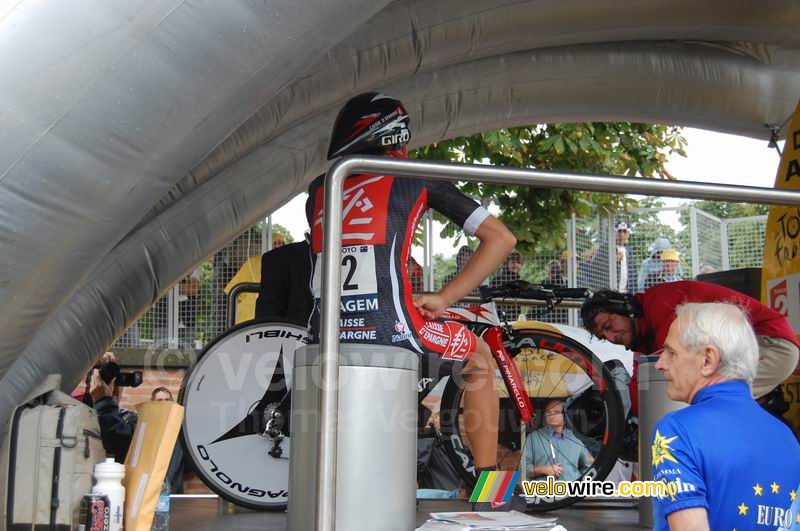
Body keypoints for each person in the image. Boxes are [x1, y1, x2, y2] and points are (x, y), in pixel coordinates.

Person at [306, 92, 520, 511]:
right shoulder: (416, 173)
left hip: (323, 335)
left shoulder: (319, 188)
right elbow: (502, 239)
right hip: (393, 329)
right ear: (398, 135)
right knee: (478, 358)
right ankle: (489, 493)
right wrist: (444, 297)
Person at [650, 302, 800, 530]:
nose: (660, 364)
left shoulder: (677, 430)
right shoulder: (786, 435)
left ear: (708, 359)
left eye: (671, 352)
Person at [580, 280, 800, 400]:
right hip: (755, 346)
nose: (611, 337)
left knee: (708, 399)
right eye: (603, 336)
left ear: (625, 308)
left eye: (609, 326)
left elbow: (671, 365)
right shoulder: (645, 332)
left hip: (770, 344)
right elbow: (645, 379)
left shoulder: (660, 303)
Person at [523, 399, 592, 482]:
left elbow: (586, 468)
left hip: (572, 492)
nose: (551, 416)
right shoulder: (533, 438)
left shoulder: (576, 438)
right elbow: (523, 468)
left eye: (556, 412)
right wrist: (543, 470)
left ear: (565, 414)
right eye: (548, 412)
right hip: (543, 491)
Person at [254, 238, 314, 324]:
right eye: (275, 243)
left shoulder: (277, 258)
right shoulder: (277, 259)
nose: (277, 245)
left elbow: (267, 319)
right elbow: (267, 319)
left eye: (279, 243)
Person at [150, 387, 185, 493]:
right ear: (153, 404)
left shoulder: (180, 430)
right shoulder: (147, 428)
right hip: (149, 490)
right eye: (160, 400)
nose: (164, 403)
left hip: (173, 492)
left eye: (167, 400)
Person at [153, 269, 200, 349]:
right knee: (160, 350)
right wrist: (183, 287)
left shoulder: (192, 267)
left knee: (187, 353)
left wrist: (171, 286)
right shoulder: (160, 269)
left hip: (187, 320)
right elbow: (158, 290)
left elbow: (192, 289)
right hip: (163, 318)